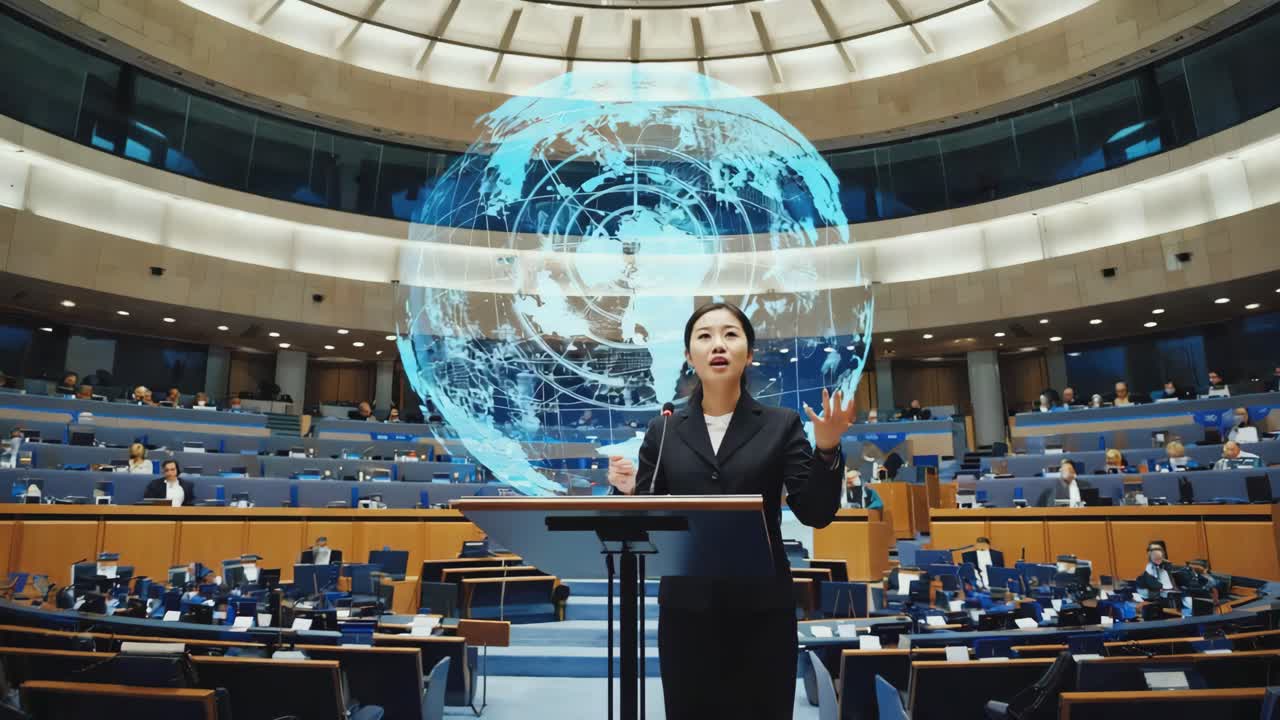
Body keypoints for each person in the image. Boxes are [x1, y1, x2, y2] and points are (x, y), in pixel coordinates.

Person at [606, 301, 849, 719]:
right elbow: (643, 524)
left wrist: (827, 450)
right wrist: (626, 494)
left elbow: (815, 513)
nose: (717, 343)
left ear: (749, 353)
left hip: (762, 612)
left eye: (730, 334)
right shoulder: (663, 430)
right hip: (686, 614)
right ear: (689, 356)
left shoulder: (781, 424)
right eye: (704, 336)